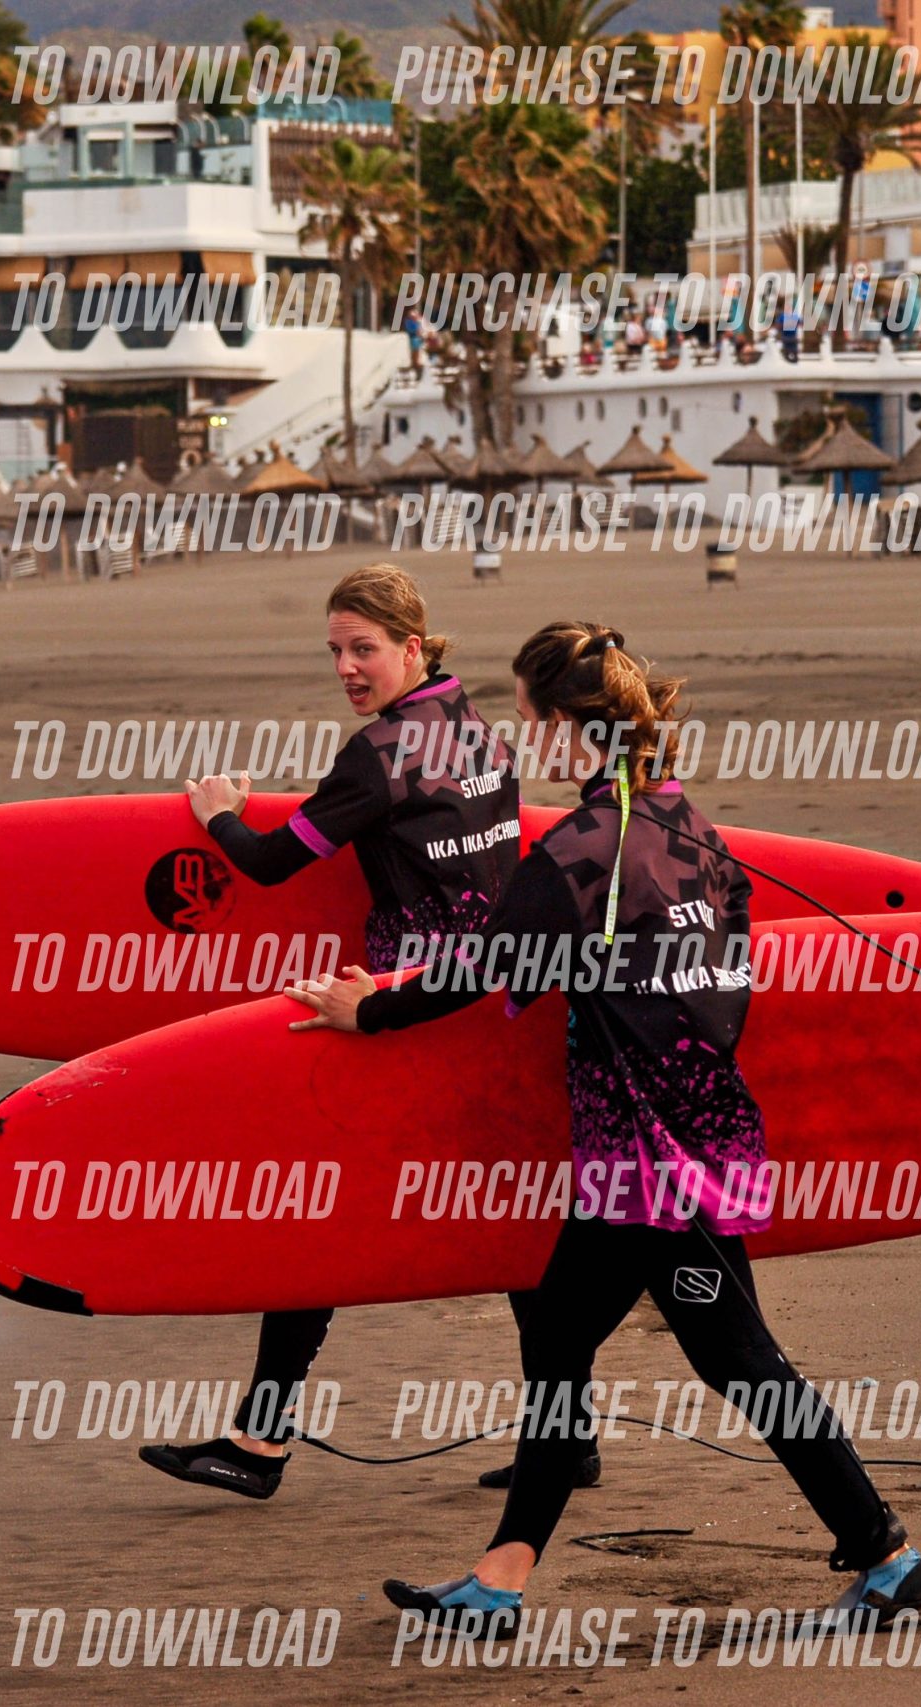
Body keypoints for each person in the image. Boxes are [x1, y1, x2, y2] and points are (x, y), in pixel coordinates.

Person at [283, 624, 921, 1636]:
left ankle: (887, 1556)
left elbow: (484, 968)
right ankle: (500, 1579)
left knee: (730, 1360)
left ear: (570, 727)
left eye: (530, 718)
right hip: (684, 1141)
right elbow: (721, 974)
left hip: (653, 1164)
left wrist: (369, 1011)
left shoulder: (580, 849)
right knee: (570, 1346)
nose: (524, 738)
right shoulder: (692, 828)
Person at [139, 566, 544, 1501]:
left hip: (398, 1015)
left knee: (321, 1214)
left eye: (364, 649)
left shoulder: (380, 753)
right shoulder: (481, 732)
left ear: (413, 646)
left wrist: (219, 814)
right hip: (489, 1003)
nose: (347, 669)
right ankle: (568, 1435)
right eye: (335, 650)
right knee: (516, 1220)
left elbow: (271, 863)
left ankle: (258, 1443)